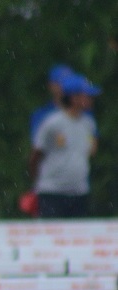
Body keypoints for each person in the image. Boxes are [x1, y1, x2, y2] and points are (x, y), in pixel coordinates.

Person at [30, 74, 101, 219]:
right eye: (86, 96)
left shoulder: (89, 123)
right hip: (52, 192)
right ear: (74, 98)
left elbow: (90, 151)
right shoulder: (53, 123)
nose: (90, 99)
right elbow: (36, 154)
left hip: (79, 192)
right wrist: (37, 184)